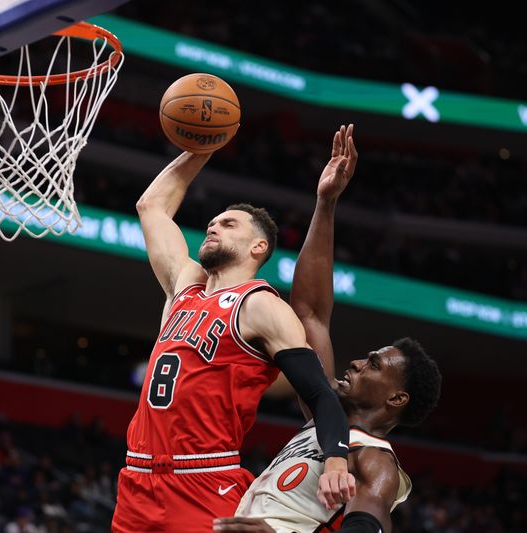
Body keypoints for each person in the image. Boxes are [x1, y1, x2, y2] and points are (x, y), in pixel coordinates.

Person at [112, 132, 357, 532]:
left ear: (259, 247)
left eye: (228, 224)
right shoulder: (184, 285)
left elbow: (318, 392)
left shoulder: (261, 305)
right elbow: (152, 205)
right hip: (136, 480)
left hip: (204, 479)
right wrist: (201, 148)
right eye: (211, 223)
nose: (213, 228)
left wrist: (335, 457)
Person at [213, 125, 442, 532]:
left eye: (373, 365)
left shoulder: (376, 462)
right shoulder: (326, 423)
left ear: (396, 398)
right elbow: (311, 313)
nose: (355, 362)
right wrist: (326, 201)